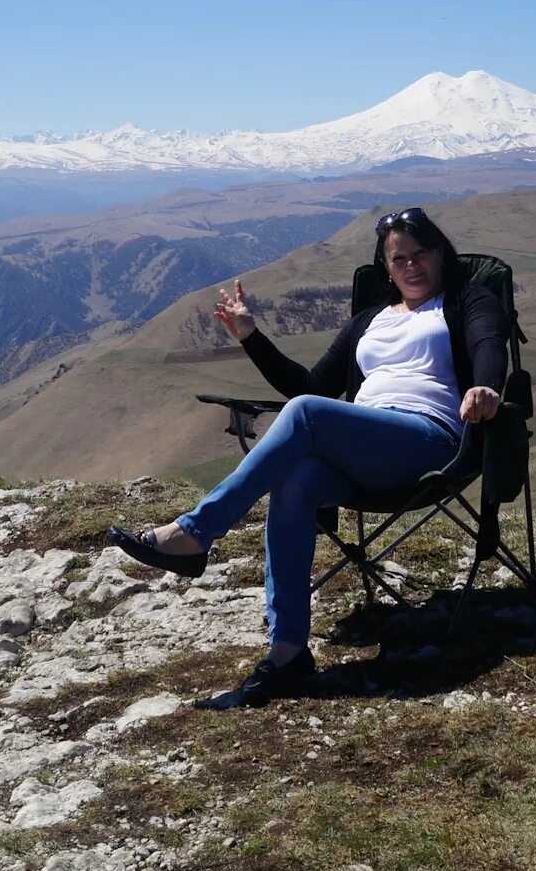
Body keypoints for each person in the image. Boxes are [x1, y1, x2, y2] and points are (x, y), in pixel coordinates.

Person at [108, 207, 509, 706]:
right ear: (386, 267)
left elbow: (490, 345)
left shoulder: (469, 300)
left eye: (420, 253)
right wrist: (250, 337)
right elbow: (310, 387)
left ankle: (196, 532)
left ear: (440, 254)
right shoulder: (369, 321)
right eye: (398, 258)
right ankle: (288, 650)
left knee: (305, 416)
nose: (411, 266)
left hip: (430, 442)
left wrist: (486, 388)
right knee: (296, 479)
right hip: (364, 449)